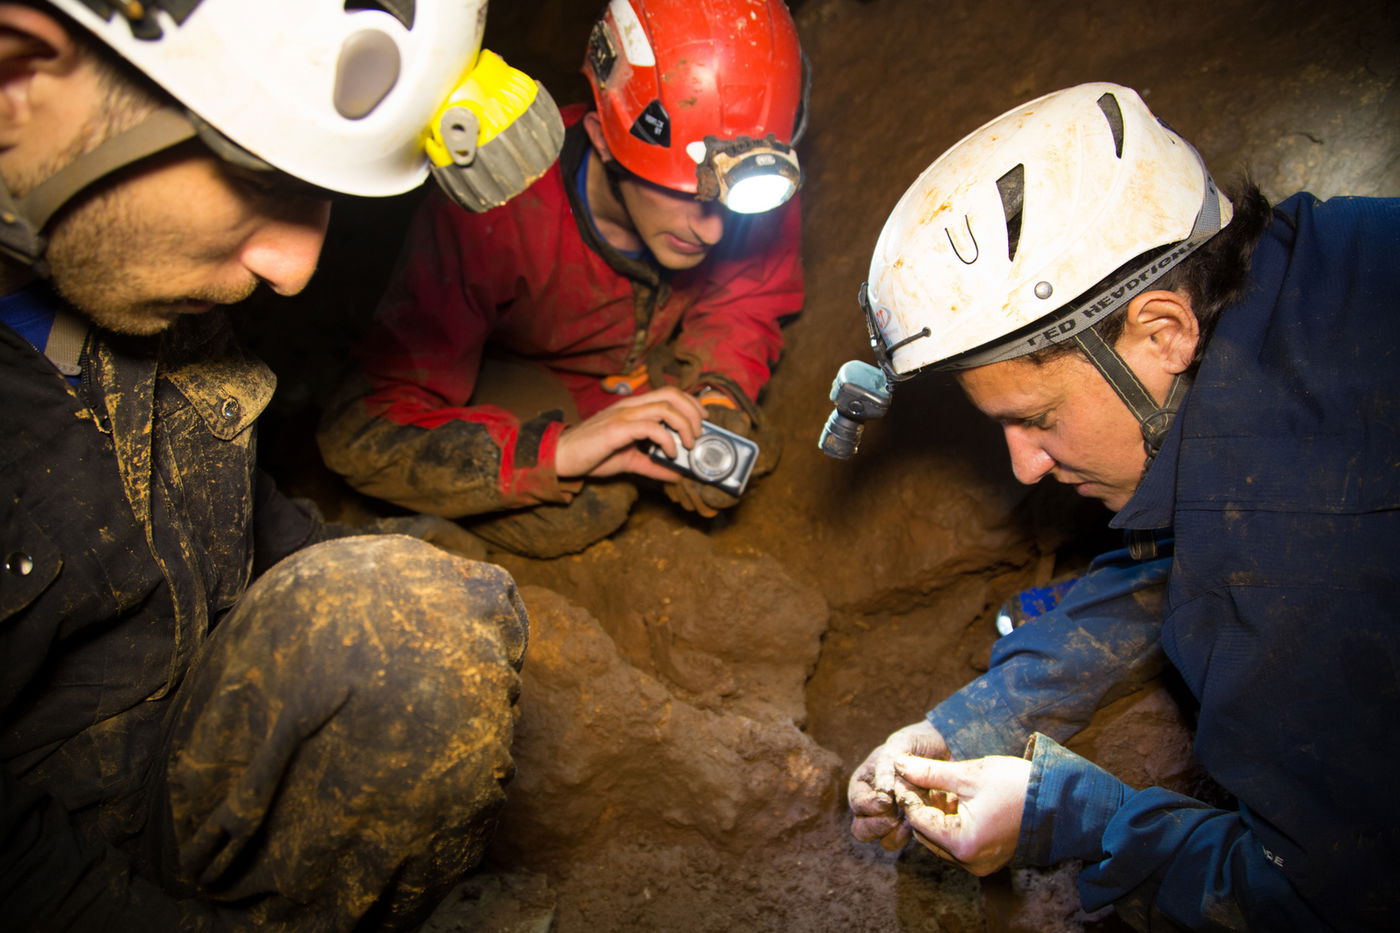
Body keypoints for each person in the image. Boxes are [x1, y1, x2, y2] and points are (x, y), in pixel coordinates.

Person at [0, 1, 565, 928]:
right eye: (261, 175)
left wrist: (426, 580)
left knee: (424, 618)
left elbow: (241, 523)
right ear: (17, 76)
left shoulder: (134, 287)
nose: (299, 265)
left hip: (174, 772)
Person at [840, 82, 1400, 930]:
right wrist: (971, 722)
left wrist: (1068, 814)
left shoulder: (1296, 563)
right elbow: (1188, 551)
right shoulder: (1312, 260)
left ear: (1161, 331)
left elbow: (1329, 900)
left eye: (1035, 419)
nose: (1024, 466)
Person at [316, 0, 808, 559]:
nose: (715, 232)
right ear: (602, 140)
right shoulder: (498, 211)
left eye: (733, 205)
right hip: (518, 378)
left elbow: (747, 296)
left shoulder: (753, 178)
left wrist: (717, 390)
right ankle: (407, 536)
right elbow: (360, 431)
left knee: (741, 448)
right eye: (687, 195)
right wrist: (557, 452)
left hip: (635, 369)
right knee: (587, 506)